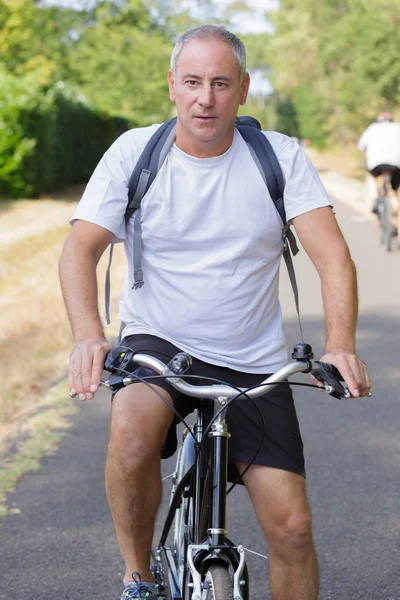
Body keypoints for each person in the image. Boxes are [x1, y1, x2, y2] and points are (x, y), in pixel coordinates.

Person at [59, 24, 371, 600]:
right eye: (194, 81)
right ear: (173, 85)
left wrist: (341, 344)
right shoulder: (135, 153)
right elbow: (81, 248)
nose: (207, 97)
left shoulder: (276, 158)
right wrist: (87, 335)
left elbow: (333, 257)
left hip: (252, 361)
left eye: (221, 83)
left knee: (295, 531)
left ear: (244, 89)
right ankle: (139, 577)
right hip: (159, 345)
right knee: (130, 436)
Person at [358, 112, 400, 234]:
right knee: (395, 189)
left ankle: (375, 200)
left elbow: (362, 148)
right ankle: (395, 208)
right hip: (396, 165)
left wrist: (365, 164)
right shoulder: (397, 127)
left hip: (375, 164)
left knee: (371, 178)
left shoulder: (371, 128)